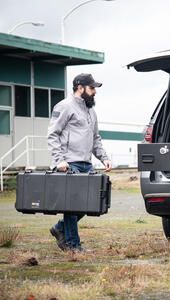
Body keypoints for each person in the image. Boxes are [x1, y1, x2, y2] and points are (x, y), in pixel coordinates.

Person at [47, 73, 112, 252]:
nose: (95, 92)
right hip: (68, 163)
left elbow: (95, 138)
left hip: (86, 163)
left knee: (86, 203)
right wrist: (59, 160)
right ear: (80, 88)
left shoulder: (91, 111)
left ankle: (59, 229)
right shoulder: (64, 106)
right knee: (73, 204)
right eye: (92, 88)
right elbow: (53, 134)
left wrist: (104, 157)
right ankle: (73, 246)